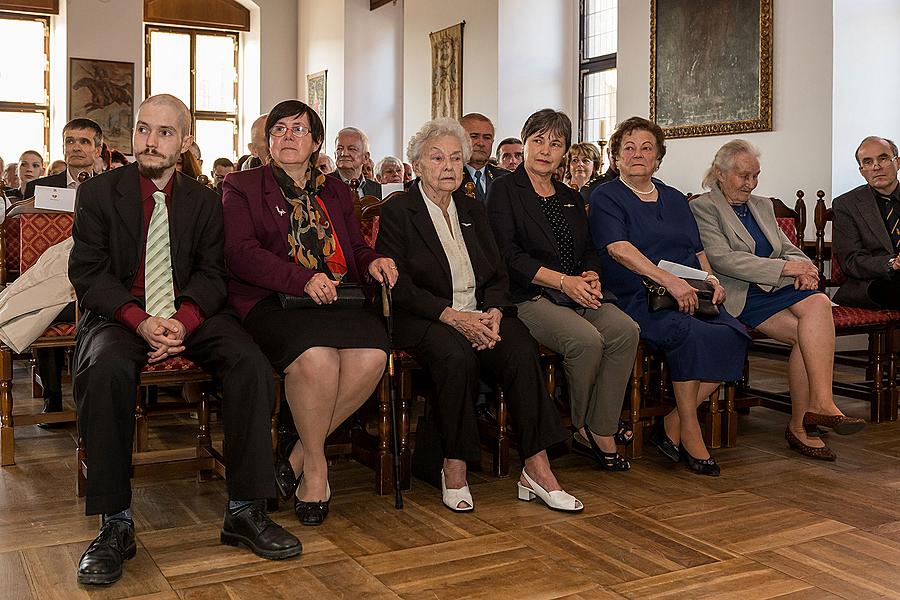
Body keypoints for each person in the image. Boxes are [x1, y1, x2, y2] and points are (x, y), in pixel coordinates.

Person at [69, 94, 301, 586]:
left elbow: (214, 274)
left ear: (186, 141)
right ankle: (114, 525)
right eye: (143, 129)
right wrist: (140, 319)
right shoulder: (97, 194)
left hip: (189, 313)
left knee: (250, 363)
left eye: (165, 132)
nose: (150, 141)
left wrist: (185, 320)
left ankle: (245, 509)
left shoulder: (203, 199)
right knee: (105, 368)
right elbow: (88, 274)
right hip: (120, 316)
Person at [376, 117, 582, 513]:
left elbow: (498, 271)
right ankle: (454, 466)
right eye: (437, 158)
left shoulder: (473, 209)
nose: (449, 166)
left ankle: (537, 469)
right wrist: (451, 316)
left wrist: (493, 312)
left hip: (479, 315)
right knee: (457, 357)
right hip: (426, 318)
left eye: (456, 157)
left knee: (521, 348)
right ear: (417, 165)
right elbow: (398, 286)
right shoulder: (400, 210)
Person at [222, 100, 397, 526]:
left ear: (316, 141)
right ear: (267, 142)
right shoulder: (241, 185)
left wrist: (373, 261)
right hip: (271, 300)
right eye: (279, 130)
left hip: (338, 296)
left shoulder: (335, 189)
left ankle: (298, 453)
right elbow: (240, 254)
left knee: (373, 355)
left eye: (298, 130)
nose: (287, 136)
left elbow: (353, 247)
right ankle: (316, 471)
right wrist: (300, 278)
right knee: (319, 358)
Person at [590, 116, 750, 477]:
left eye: (647, 148)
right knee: (691, 335)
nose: (637, 154)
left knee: (734, 333)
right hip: (639, 296)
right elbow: (618, 249)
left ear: (658, 158)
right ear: (615, 157)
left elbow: (696, 250)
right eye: (628, 148)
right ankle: (691, 433)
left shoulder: (676, 198)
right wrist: (670, 282)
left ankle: (675, 421)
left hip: (690, 292)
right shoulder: (607, 196)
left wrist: (711, 278)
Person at [691, 139, 864, 460]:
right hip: (741, 293)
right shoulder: (703, 207)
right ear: (720, 172)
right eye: (743, 176)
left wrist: (807, 268)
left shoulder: (762, 206)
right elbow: (724, 259)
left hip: (776, 287)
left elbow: (788, 246)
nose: (750, 183)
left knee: (819, 303)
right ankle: (804, 423)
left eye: (755, 175)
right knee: (807, 334)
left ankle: (820, 406)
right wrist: (787, 268)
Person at [489, 110, 640, 471]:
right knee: (586, 340)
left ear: (565, 152)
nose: (545, 150)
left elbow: (588, 247)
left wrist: (590, 274)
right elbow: (508, 256)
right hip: (529, 294)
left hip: (576, 289)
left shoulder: (569, 196)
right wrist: (563, 282)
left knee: (625, 331)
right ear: (524, 143)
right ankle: (586, 427)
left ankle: (598, 427)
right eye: (538, 140)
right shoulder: (504, 190)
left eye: (555, 143)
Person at [24, 118, 104, 427]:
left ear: (97, 149)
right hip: (55, 273)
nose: (76, 147)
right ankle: (52, 398)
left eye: (84, 142)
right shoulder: (40, 187)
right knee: (44, 307)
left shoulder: (110, 185)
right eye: (70, 141)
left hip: (97, 274)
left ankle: (97, 401)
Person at [832, 136, 900, 309]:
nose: (876, 167)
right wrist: (893, 263)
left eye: (883, 158)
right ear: (862, 171)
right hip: (875, 281)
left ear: (897, 162)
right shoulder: (846, 205)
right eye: (868, 162)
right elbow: (851, 261)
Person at [457, 113, 508, 205]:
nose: (481, 143)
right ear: (458, 139)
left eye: (487, 137)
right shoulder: (449, 176)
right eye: (474, 136)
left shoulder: (505, 178)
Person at [332, 127, 381, 198]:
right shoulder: (323, 185)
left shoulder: (377, 190)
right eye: (339, 148)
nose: (344, 153)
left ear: (366, 157)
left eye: (351, 149)